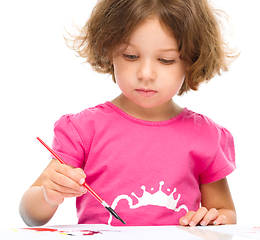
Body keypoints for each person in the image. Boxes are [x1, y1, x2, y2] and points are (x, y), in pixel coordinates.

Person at [19, 0, 238, 227]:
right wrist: (48, 194)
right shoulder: (83, 130)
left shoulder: (205, 136)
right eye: (130, 56)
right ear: (108, 50)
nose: (145, 73)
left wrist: (212, 220)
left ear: (193, 60)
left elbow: (225, 213)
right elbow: (30, 215)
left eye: (166, 60)